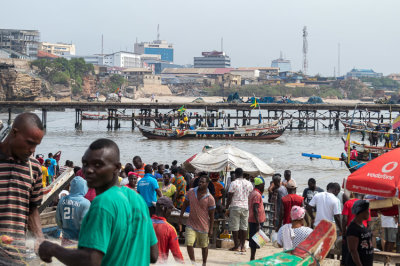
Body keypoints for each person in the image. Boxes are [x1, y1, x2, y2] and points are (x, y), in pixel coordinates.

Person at [39, 138, 158, 265]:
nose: (88, 170)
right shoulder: (137, 199)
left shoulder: (102, 203)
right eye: (85, 164)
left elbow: (91, 260)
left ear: (116, 168)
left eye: (97, 165)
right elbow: (153, 254)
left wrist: (53, 249)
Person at [0, 113, 45, 265]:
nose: (32, 150)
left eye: (36, 145)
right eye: (29, 143)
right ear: (14, 133)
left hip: (16, 257)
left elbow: (32, 209)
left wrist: (39, 237)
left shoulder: (35, 169)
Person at [179, 173, 215, 266]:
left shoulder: (210, 198)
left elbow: (212, 215)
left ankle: (204, 263)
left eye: (203, 182)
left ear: (207, 184)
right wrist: (181, 217)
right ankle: (193, 263)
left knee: (204, 246)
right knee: (189, 243)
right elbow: (185, 204)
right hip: (191, 223)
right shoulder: (191, 192)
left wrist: (211, 229)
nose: (200, 183)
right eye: (199, 182)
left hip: (203, 226)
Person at [56, 176, 91, 246]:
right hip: (79, 240)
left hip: (65, 239)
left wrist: (62, 229)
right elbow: (83, 224)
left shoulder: (62, 200)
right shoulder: (86, 203)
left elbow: (58, 219)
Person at [226, 168, 253, 252]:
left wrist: (227, 207)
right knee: (244, 227)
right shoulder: (248, 183)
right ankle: (243, 246)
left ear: (236, 174)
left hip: (235, 206)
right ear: (242, 174)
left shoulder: (233, 183)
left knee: (235, 227)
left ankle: (236, 246)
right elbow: (251, 193)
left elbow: (230, 196)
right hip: (245, 206)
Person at [152, 197, 184, 263]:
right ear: (164, 209)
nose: (170, 213)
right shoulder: (170, 229)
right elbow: (176, 254)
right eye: (170, 209)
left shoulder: (144, 224)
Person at [342, 194, 371, 265]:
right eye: (367, 211)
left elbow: (345, 219)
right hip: (353, 237)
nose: (369, 213)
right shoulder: (354, 229)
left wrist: (343, 232)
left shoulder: (348, 203)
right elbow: (353, 251)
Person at [248, 178, 266, 260]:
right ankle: (252, 257)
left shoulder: (254, 192)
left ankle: (253, 256)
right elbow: (255, 208)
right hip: (255, 221)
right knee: (255, 240)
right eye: (263, 185)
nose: (264, 187)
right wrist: (258, 223)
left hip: (254, 219)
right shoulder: (257, 195)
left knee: (256, 240)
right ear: (261, 185)